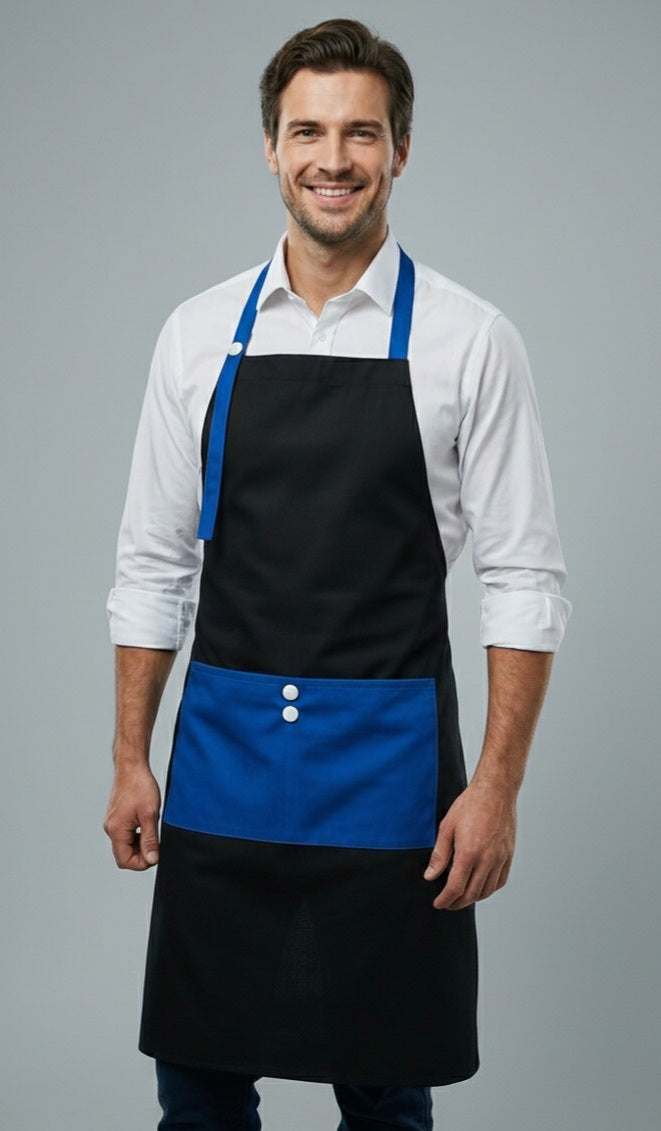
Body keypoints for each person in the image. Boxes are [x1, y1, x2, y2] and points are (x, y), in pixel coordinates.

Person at [103, 17, 571, 1131]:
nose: (333, 158)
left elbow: (522, 578)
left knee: (385, 1090)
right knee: (199, 1090)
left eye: (361, 133)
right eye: (307, 131)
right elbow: (153, 564)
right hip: (222, 764)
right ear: (270, 147)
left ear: (400, 149)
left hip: (390, 773)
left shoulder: (470, 340)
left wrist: (495, 788)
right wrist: (129, 757)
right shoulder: (196, 336)